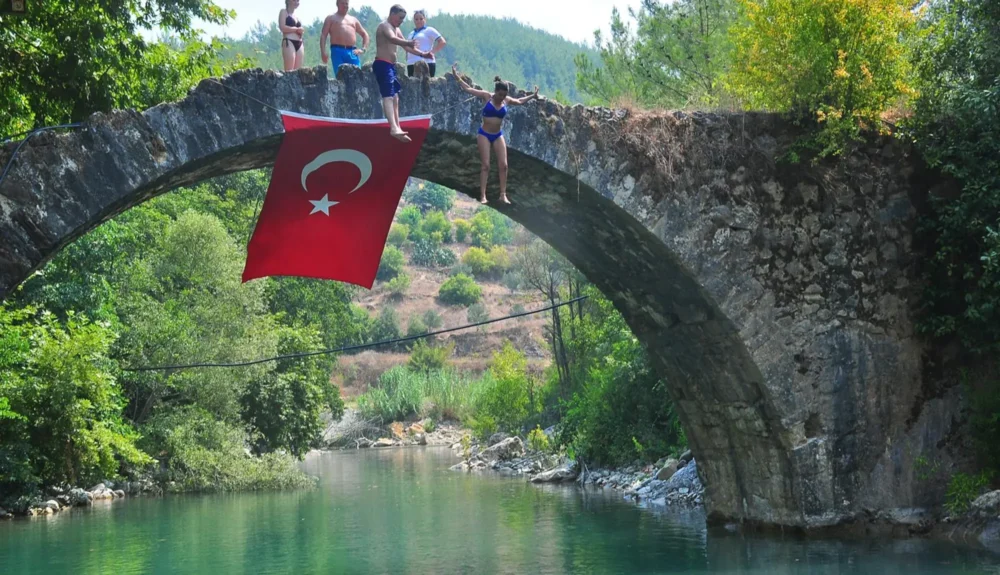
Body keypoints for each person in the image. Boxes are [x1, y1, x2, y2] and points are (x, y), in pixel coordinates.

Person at [451, 63, 539, 204]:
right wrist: (456, 77)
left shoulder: (506, 101)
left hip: (498, 135)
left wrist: (532, 96)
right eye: (500, 94)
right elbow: (468, 89)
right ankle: (483, 195)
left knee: (503, 165)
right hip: (484, 134)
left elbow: (519, 101)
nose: (501, 97)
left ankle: (503, 194)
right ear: (495, 91)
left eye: (504, 95)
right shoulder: (487, 97)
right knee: (485, 165)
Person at [373, 5, 432, 142]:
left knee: (395, 97)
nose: (401, 21)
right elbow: (393, 39)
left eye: (403, 19)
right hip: (382, 64)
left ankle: (397, 127)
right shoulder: (385, 26)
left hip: (391, 66)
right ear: (392, 14)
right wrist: (408, 42)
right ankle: (393, 127)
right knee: (388, 96)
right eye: (400, 18)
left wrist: (423, 54)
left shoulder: (396, 29)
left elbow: (406, 47)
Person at [320, 0, 370, 74]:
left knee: (357, 76)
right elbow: (323, 35)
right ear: (337, 4)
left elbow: (365, 35)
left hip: (352, 51)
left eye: (346, 3)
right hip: (337, 51)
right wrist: (323, 52)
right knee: (340, 77)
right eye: (342, 3)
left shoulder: (353, 20)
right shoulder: (331, 18)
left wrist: (363, 49)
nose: (345, 5)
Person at [406, 10, 446, 77]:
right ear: (414, 20)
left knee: (426, 85)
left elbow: (442, 42)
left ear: (425, 19)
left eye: (421, 19)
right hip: (411, 62)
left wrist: (432, 52)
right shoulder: (411, 33)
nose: (419, 21)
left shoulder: (429, 30)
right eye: (416, 19)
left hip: (426, 62)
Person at [279, 0, 305, 71]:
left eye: (298, 0)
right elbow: (282, 27)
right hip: (289, 41)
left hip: (299, 43)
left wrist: (300, 31)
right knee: (289, 71)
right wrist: (296, 29)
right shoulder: (284, 12)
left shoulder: (297, 16)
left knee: (298, 72)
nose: (296, 2)